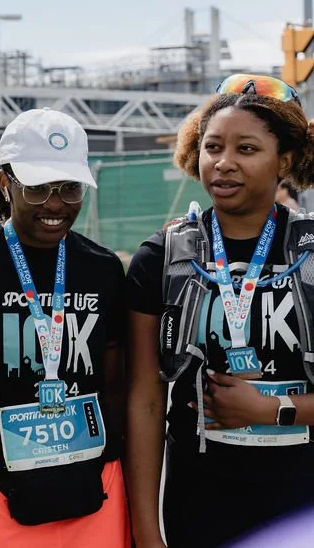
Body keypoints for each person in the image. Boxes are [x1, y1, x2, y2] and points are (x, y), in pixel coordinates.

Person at [125, 74, 314, 547]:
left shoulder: (311, 252)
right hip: (200, 508)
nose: (224, 164)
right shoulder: (163, 257)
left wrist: (275, 410)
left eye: (246, 149)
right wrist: (147, 531)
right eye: (213, 147)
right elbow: (146, 401)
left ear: (283, 161)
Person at [0, 109, 130, 547]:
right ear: (6, 183)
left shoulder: (103, 269)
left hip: (94, 484)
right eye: (37, 189)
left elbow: (115, 384)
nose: (55, 204)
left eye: (70, 188)